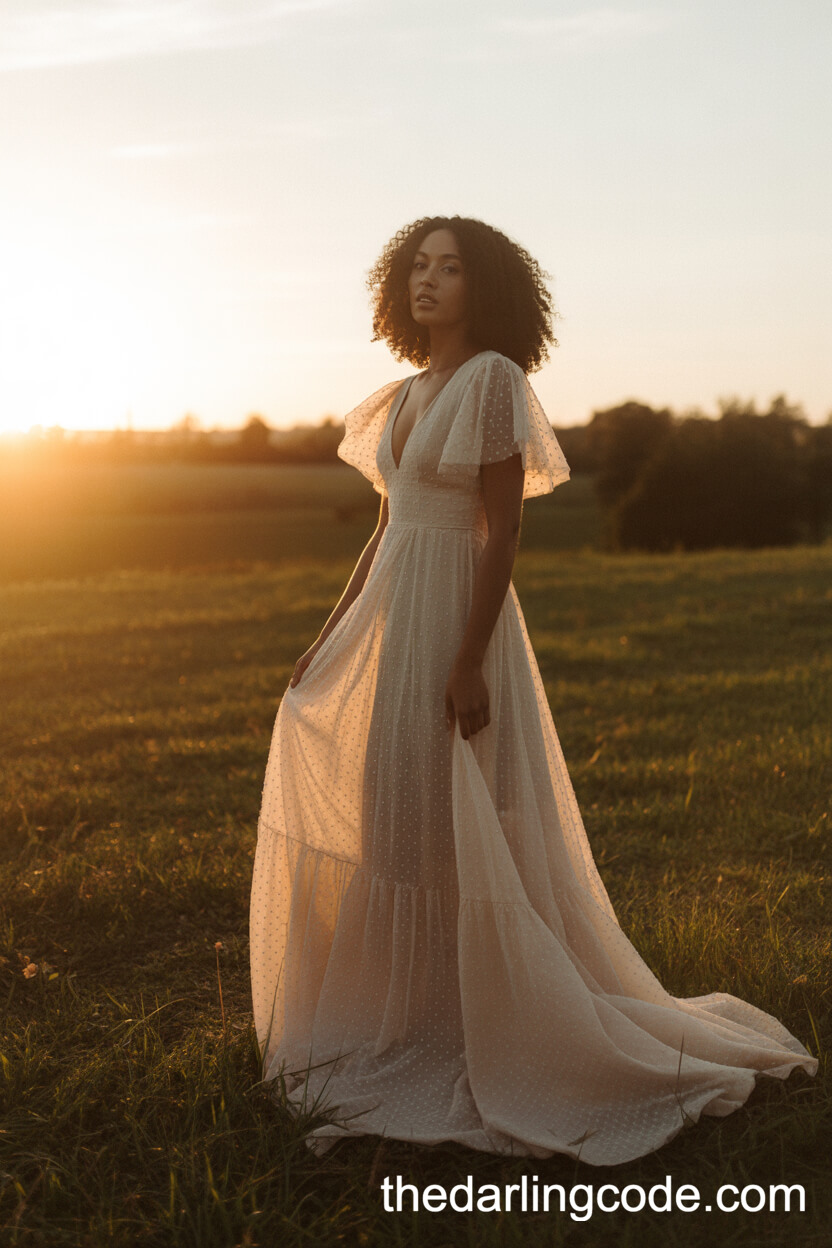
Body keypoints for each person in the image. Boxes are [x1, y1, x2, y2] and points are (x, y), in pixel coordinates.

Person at [249, 215, 817, 1166]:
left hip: (460, 620)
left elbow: (503, 534)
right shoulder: (401, 394)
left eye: (452, 268)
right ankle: (405, 1015)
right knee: (397, 813)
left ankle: (493, 1028)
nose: (430, 283)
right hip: (396, 621)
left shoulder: (494, 382)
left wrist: (468, 659)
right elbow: (384, 531)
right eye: (419, 267)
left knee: (465, 816)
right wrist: (328, 636)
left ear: (490, 288)